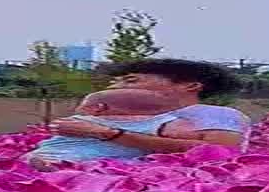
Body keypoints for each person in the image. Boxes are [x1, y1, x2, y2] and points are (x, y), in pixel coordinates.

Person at [40, 58, 251, 158]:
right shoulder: (128, 113)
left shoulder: (214, 114)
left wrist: (108, 134)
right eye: (114, 82)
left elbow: (221, 151)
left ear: (191, 85)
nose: (116, 87)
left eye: (130, 80)